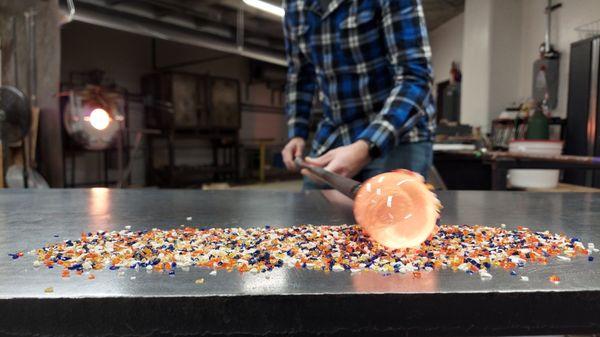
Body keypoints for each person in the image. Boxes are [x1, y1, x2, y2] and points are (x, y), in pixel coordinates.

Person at [280, 0, 436, 188]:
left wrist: (367, 146)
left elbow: (415, 77)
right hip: (336, 131)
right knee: (313, 210)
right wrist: (297, 133)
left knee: (392, 210)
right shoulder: (293, 5)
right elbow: (300, 75)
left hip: (398, 132)